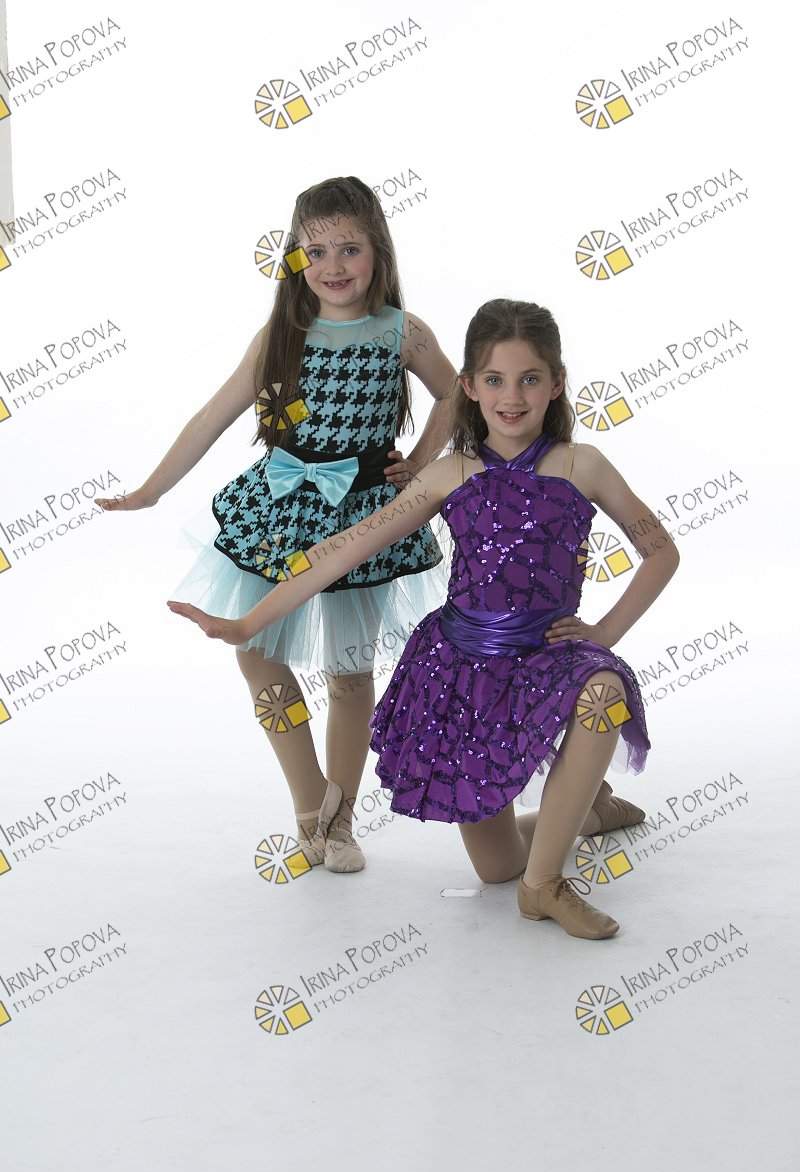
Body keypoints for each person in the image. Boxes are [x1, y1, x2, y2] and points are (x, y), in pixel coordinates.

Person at [168, 299, 679, 939]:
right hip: (468, 675)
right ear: (469, 386)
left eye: (529, 379)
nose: (511, 397)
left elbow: (660, 551)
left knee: (602, 692)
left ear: (556, 383)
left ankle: (545, 886)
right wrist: (248, 625)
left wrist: (604, 635)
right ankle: (587, 816)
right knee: (496, 866)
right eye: (494, 380)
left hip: (552, 655)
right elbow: (340, 552)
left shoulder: (584, 466)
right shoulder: (447, 475)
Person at [96, 175, 457, 873]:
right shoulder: (282, 334)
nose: (333, 266)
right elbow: (210, 417)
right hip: (280, 505)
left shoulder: (403, 332)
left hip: (360, 508)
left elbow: (455, 395)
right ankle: (310, 802)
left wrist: (417, 464)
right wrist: (149, 492)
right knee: (255, 650)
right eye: (315, 251)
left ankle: (341, 823)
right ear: (295, 258)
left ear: (378, 252)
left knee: (348, 671)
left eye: (349, 249)